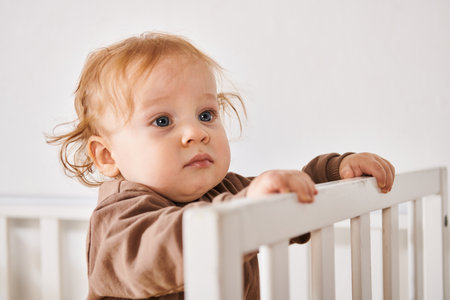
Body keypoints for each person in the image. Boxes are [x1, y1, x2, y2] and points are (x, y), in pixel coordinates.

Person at [48, 32, 395, 300]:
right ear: (108, 156)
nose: (196, 133)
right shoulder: (118, 220)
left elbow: (290, 194)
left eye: (205, 115)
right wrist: (244, 208)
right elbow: (160, 247)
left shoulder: (225, 191)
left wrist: (333, 172)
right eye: (162, 121)